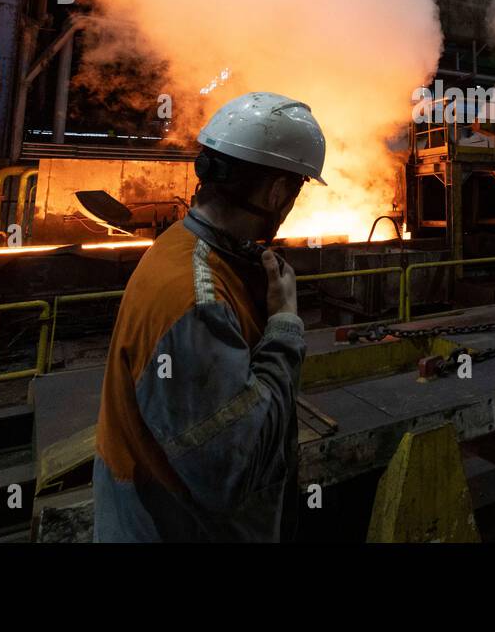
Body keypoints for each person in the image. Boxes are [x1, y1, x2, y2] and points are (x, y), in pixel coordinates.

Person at [93, 92, 326, 541]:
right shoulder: (197, 299)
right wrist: (284, 327)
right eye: (295, 190)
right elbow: (231, 470)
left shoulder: (178, 247)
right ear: (278, 191)